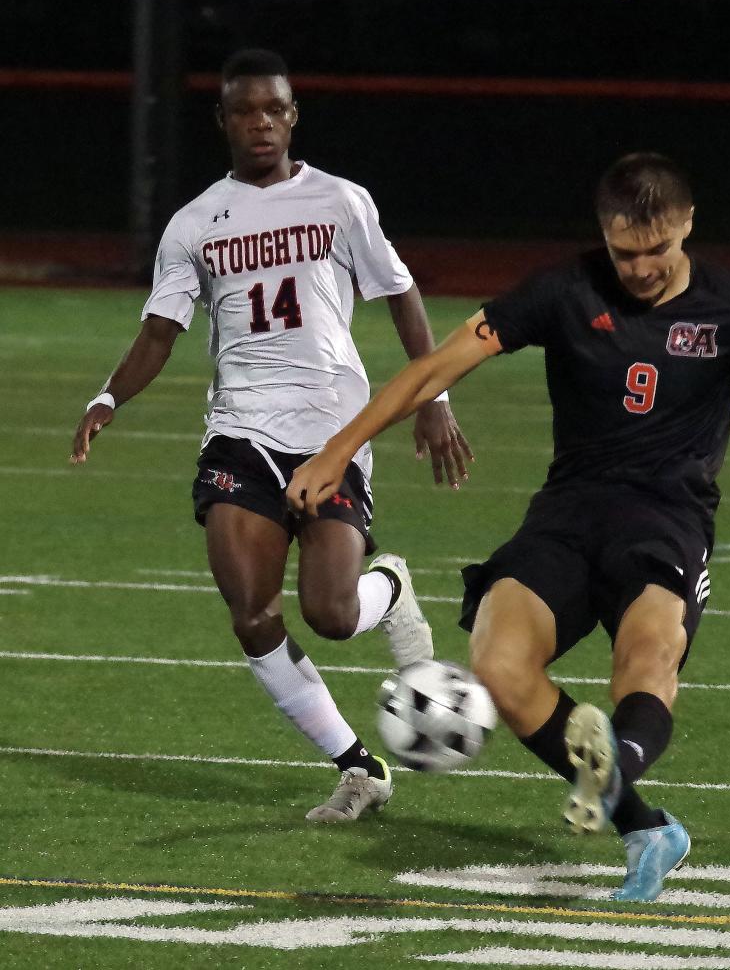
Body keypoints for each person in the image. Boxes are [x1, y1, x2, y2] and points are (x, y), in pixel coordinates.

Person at [284, 151, 730, 899]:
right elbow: (438, 366)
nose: (640, 267)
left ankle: (615, 772)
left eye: (657, 250)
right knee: (499, 664)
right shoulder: (563, 290)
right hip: (568, 514)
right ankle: (646, 823)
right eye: (624, 251)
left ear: (687, 225)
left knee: (646, 662)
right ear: (602, 236)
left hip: (668, 521)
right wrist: (339, 448)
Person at [69, 48, 471, 824]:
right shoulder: (194, 222)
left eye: (274, 110)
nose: (261, 123)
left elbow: (401, 291)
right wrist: (109, 396)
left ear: (293, 116)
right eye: (245, 111)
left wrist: (434, 394)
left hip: (331, 433)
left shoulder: (341, 201)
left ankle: (389, 591)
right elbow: (160, 330)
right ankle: (359, 768)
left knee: (329, 612)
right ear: (222, 120)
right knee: (251, 613)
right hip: (240, 435)